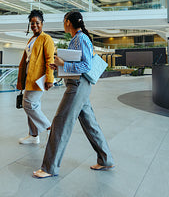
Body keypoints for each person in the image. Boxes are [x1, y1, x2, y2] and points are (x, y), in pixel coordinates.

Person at [33, 11, 114, 178]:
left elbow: (86, 66)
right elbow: (76, 63)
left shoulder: (81, 38)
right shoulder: (77, 38)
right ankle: (105, 160)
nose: (63, 24)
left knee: (60, 123)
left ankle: (49, 168)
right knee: (90, 124)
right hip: (78, 86)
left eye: (64, 21)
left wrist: (64, 64)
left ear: (68, 22)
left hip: (77, 87)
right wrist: (60, 66)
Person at [16, 10, 55, 145]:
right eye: (32, 23)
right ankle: (33, 135)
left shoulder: (46, 38)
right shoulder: (31, 39)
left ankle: (49, 127)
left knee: (29, 104)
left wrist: (50, 79)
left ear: (42, 24)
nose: (34, 25)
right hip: (29, 77)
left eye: (37, 23)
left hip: (39, 78)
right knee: (32, 105)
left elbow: (50, 59)